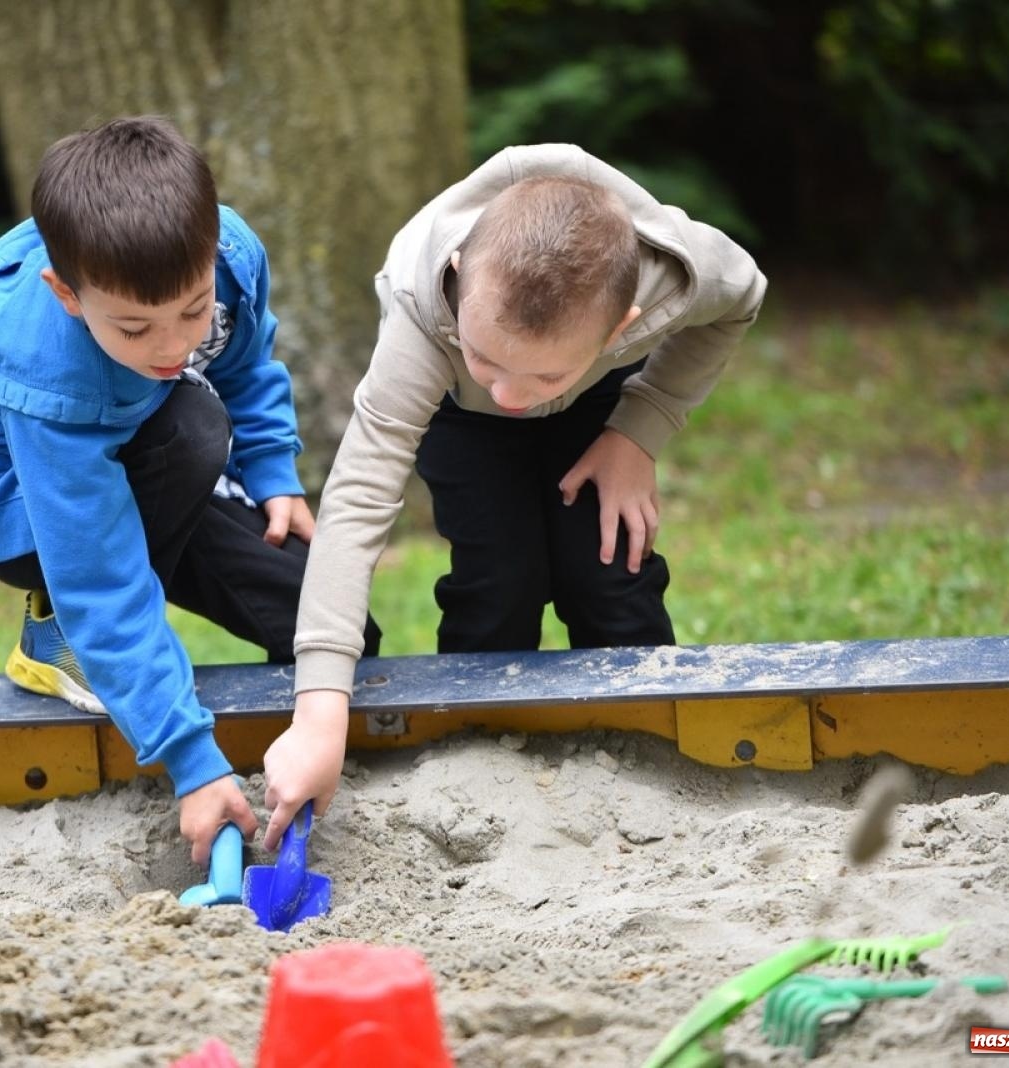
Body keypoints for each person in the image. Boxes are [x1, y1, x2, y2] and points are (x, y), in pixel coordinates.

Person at [261, 144, 765, 848]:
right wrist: (318, 716)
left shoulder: (677, 273)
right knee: (499, 581)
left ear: (626, 325)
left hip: (594, 400)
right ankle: (469, 773)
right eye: (490, 360)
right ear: (463, 277)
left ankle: (658, 765)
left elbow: (742, 298)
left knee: (609, 571)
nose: (510, 395)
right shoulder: (423, 312)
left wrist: (639, 432)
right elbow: (357, 499)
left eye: (535, 377)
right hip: (454, 410)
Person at [0, 116, 376, 863]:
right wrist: (194, 763)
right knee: (192, 422)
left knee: (320, 614)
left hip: (149, 467)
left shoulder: (229, 256)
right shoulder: (51, 376)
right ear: (66, 293)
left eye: (192, 311)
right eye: (134, 328)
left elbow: (246, 363)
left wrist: (271, 471)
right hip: (15, 506)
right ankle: (52, 637)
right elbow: (100, 574)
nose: (173, 345)